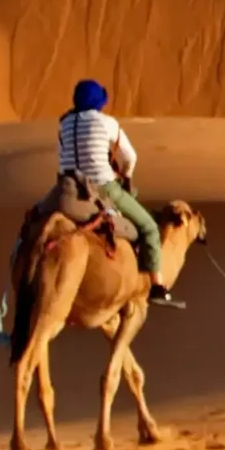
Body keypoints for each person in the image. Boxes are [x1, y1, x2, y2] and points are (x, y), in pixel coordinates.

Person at [58, 79, 174, 304]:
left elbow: (61, 158)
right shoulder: (106, 123)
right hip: (103, 187)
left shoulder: (64, 123)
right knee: (149, 227)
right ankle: (157, 286)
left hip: (67, 186)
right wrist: (126, 175)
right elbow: (130, 157)